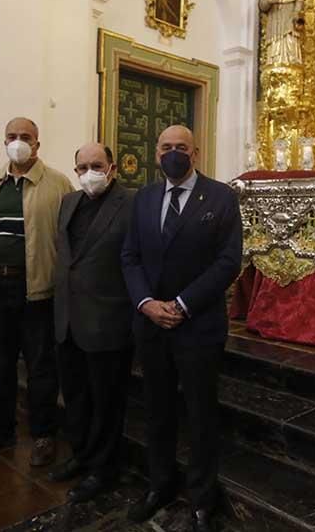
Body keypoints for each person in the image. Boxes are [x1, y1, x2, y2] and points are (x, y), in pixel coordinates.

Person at [121, 125, 243, 532]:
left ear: (196, 152)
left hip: (199, 326)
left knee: (201, 414)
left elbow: (227, 262)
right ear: (156, 153)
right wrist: (147, 304)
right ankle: (159, 485)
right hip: (152, 325)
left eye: (182, 148)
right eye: (166, 147)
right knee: (157, 411)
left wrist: (183, 304)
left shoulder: (222, 197)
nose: (174, 153)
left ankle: (202, 499)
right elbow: (130, 257)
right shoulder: (144, 198)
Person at [0, 117, 74, 466]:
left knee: (41, 366)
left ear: (37, 144)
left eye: (25, 137)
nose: (18, 142)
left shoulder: (58, 184)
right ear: (4, 142)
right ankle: (0, 429)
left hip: (36, 288)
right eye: (11, 136)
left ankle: (43, 434)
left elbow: (67, 239)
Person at [50, 143, 135, 503]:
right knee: (76, 397)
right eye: (82, 166)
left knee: (107, 401)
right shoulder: (68, 202)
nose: (89, 173)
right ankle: (81, 455)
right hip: (68, 318)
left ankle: (104, 469)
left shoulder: (132, 204)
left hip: (108, 318)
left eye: (96, 165)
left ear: (112, 169)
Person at [258, 0, 305, 67]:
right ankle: (274, 63)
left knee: (289, 40)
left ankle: (290, 62)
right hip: (274, 23)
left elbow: (299, 0)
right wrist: (269, 1)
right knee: (275, 44)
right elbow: (262, 5)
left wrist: (296, 12)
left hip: (288, 20)